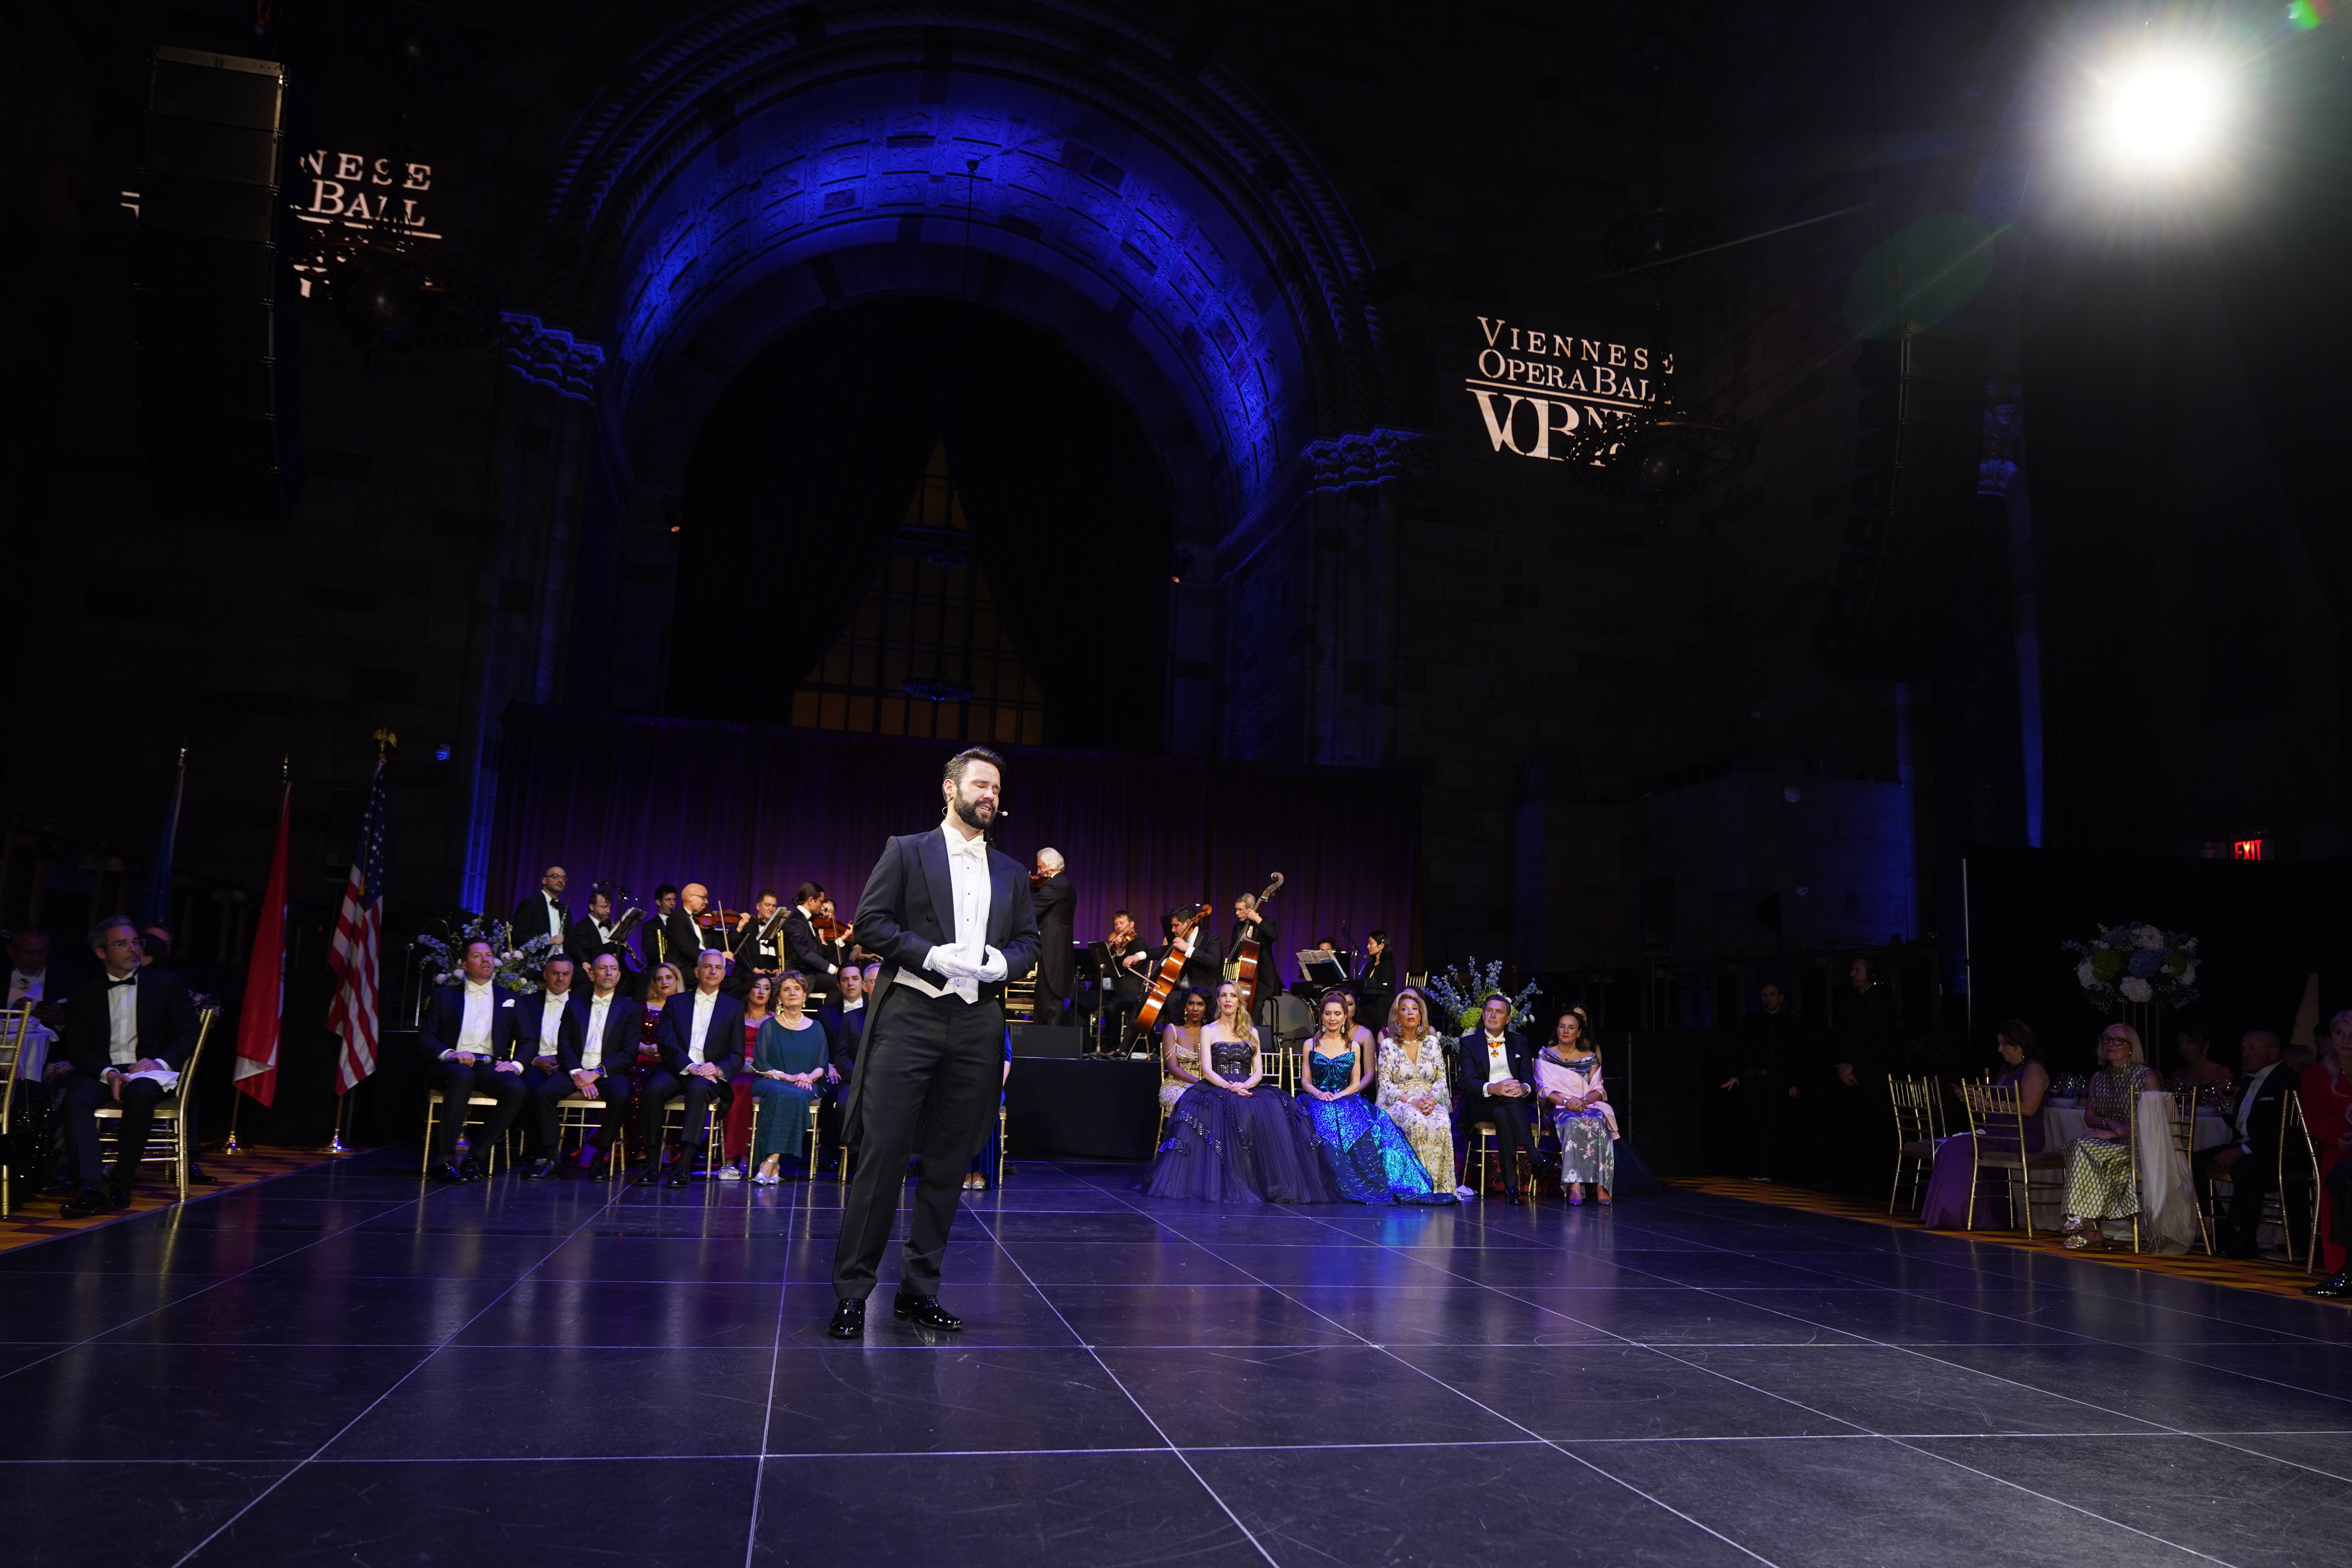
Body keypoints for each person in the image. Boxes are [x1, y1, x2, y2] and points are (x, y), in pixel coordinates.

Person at [826, 746, 1040, 1340]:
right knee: (884, 1157)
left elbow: (1029, 942)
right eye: (979, 784)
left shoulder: (1013, 872)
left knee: (948, 1164)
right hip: (911, 1019)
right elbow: (869, 923)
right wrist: (928, 954)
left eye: (996, 788)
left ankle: (920, 1291)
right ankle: (852, 1292)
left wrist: (1003, 962)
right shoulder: (907, 850)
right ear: (951, 789)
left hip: (976, 1026)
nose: (989, 795)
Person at [55, 917, 199, 1217]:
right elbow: (78, 1049)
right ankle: (90, 1187)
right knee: (76, 1098)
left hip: (150, 1068)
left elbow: (190, 1033)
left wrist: (158, 1062)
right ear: (101, 953)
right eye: (122, 944)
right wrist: (109, 1073)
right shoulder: (84, 992)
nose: (133, 949)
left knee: (141, 1093)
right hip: (103, 1069)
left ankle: (122, 1182)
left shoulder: (166, 983)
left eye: (136, 942)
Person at [1141, 979, 1327, 1203]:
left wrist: (1245, 1085)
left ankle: (1263, 1180)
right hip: (1218, 1085)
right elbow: (1207, 1071)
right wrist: (1229, 1086)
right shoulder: (1209, 1030)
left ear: (1240, 1001)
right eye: (1223, 996)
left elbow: (1258, 1071)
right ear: (1218, 1002)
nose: (1228, 1000)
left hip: (1247, 1085)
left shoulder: (1251, 1032)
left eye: (1233, 996)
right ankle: (1229, 1178)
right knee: (1217, 1110)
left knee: (1273, 1109)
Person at [1293, 991, 1452, 1204]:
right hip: (1317, 1097)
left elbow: (1356, 1083)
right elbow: (1305, 1081)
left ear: (1345, 1016)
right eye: (1328, 1014)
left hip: (1346, 1097)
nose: (1332, 1018)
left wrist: (1340, 1095)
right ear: (1321, 1016)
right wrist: (1320, 1093)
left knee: (1371, 1128)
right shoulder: (1310, 1044)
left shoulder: (1354, 1046)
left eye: (1338, 1014)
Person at [1918, 1020, 2048, 1230]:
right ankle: (1979, 1215)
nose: (2000, 1049)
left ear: (2020, 1043)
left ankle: (1958, 1216)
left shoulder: (2034, 1069)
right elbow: (1996, 1108)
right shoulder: (2007, 1070)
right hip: (1997, 1133)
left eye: (2005, 1044)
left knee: (1954, 1148)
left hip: (2019, 1136)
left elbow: (2028, 1108)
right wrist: (1975, 1102)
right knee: (1949, 1146)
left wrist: (1988, 1103)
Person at [417, 938, 526, 1183]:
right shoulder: (444, 996)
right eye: (478, 956)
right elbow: (426, 1037)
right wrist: (451, 1054)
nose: (486, 959)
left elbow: (528, 1040)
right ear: (465, 965)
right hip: (452, 1064)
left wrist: (515, 1065)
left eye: (489, 955)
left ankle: (475, 1157)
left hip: (489, 1065)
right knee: (463, 1076)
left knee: (516, 1089)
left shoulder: (509, 998)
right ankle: (444, 1161)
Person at [643, 949, 746, 1186]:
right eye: (707, 967)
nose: (712, 972)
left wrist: (718, 1070)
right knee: (652, 1089)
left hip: (708, 1075)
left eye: (718, 968)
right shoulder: (676, 1002)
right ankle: (651, 1162)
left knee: (698, 1090)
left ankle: (684, 1165)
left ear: (723, 974)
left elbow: (737, 1054)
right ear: (697, 972)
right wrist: (688, 1066)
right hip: (676, 1068)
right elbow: (666, 1041)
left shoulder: (733, 1007)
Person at [2059, 1022, 2161, 1249]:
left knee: (2084, 1148)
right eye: (2106, 1039)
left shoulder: (2147, 1076)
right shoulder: (2099, 1077)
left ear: (2131, 1048)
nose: (2110, 1045)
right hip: (2110, 1142)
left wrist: (2112, 1131)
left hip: (2138, 1144)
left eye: (2118, 1041)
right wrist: (2110, 1125)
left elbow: (2153, 1123)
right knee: (2080, 1146)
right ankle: (2088, 1224)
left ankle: (2084, 1222)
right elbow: (2090, 1116)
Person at [538, 951, 639, 1177]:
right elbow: (563, 1045)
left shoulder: (630, 1010)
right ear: (592, 975)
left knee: (622, 1095)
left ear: (620, 976)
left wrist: (596, 1074)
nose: (609, 973)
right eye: (603, 968)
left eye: (614, 969)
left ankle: (599, 1160)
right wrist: (578, 1074)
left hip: (609, 1073)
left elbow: (628, 1053)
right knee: (544, 1093)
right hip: (575, 1069)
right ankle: (552, 1159)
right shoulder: (574, 1004)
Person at [2199, 1029, 2296, 1258]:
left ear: (2273, 1052)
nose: (2245, 1054)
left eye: (2252, 1048)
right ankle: (2224, 1231)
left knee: (2247, 1167)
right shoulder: (2250, 1080)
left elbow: (2279, 1130)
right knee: (2193, 1162)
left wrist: (2241, 1151)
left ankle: (2245, 1237)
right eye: (2243, 1048)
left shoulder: (2287, 1079)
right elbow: (2240, 1124)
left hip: (2276, 1152)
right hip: (2249, 1145)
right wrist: (2229, 1104)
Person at [1818, 955, 1893, 1194]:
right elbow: (1838, 1036)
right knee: (1842, 1128)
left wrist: (1855, 1066)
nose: (1852, 974)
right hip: (1846, 1076)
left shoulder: (1882, 1003)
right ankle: (1842, 1176)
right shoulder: (1849, 1001)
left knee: (1871, 1130)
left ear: (1870, 975)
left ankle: (1871, 1179)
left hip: (1868, 1078)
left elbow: (1880, 1043)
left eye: (1857, 970)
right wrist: (1841, 1065)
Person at [751, 971, 834, 1185]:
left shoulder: (817, 1028)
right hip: (773, 1082)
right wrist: (790, 1077)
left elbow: (822, 1066)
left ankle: (771, 1160)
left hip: (808, 1084)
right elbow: (761, 1065)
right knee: (789, 1094)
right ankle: (773, 1163)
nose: (792, 993)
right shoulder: (769, 1026)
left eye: (797, 989)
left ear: (805, 995)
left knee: (796, 1096)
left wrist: (807, 1077)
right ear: (779, 997)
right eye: (786, 989)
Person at [1720, 980, 1807, 1181]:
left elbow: (1797, 1056)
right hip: (1754, 1079)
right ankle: (1752, 1169)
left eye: (1772, 995)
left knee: (1770, 1125)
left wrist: (1796, 1083)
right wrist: (1735, 1074)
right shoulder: (1751, 1021)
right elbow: (1739, 1049)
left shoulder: (1791, 1024)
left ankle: (1764, 1169)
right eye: (1765, 995)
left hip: (1776, 1081)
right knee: (1751, 1124)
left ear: (1781, 998)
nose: (1768, 999)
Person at [1451, 993, 1534, 1203]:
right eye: (1489, 1010)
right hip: (1481, 1104)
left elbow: (1528, 1079)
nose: (1493, 1015)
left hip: (1508, 1105)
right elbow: (1468, 1082)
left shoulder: (1520, 1041)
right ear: (1483, 1014)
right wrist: (1495, 1088)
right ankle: (1533, 1155)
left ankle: (1512, 1188)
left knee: (1504, 1112)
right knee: (1508, 1098)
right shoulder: (1469, 1043)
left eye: (1499, 1012)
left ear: (1508, 1019)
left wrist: (1523, 1089)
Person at [1380, 984, 1459, 1195]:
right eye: (1404, 1009)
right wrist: (1411, 1101)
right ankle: (1420, 1187)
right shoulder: (1388, 1045)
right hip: (1400, 1101)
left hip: (1430, 1099)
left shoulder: (1432, 1043)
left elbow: (1441, 1078)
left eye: (1414, 1009)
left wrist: (1432, 1099)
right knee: (1417, 1122)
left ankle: (1443, 1189)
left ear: (1421, 1014)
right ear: (1398, 1016)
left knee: (1442, 1123)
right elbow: (1386, 1084)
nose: (1410, 1013)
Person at [1534, 1007, 1615, 1204]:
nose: (1565, 1031)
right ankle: (1574, 1185)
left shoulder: (1589, 1057)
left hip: (1586, 1106)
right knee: (1571, 1122)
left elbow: (1599, 1089)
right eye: (1562, 1027)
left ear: (1579, 1033)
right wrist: (1566, 1101)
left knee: (1598, 1122)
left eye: (1571, 1028)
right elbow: (1541, 1089)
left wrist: (1583, 1101)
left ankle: (1602, 1185)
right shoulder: (1546, 1055)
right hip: (1557, 1108)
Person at [512, 954, 577, 1178]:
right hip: (536, 1062)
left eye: (566, 974)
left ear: (572, 977)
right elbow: (520, 1038)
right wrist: (535, 1060)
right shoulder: (528, 1002)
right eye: (555, 973)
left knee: (544, 1094)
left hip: (568, 1066)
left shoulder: (582, 1003)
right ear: (546, 975)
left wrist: (568, 1063)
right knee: (520, 1090)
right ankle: (536, 1143)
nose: (560, 978)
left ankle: (547, 1152)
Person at [2303, 1011, 2352, 1294]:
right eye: (2340, 1033)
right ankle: (2346, 1269)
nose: (2347, 1041)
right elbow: (2321, 1126)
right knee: (2343, 1176)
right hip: (2340, 1150)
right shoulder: (2317, 1075)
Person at [717, 974, 774, 1180]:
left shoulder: (776, 1020)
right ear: (748, 990)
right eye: (757, 987)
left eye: (766, 988)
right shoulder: (735, 1016)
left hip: (764, 1074)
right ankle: (731, 1158)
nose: (761, 992)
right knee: (737, 1091)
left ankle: (753, 1156)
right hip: (737, 1071)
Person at [1098, 910, 1153, 1053]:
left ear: (1132, 924)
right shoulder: (1118, 942)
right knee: (1110, 1008)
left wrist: (1120, 951)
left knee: (1116, 1005)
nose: (1118, 927)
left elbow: (1134, 965)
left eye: (1122, 923)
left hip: (1134, 991)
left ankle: (1133, 1048)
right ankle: (1112, 1047)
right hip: (1118, 992)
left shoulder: (1139, 943)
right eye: (1116, 924)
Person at [1029, 850, 1076, 1020]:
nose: (1039, 871)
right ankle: (1044, 1032)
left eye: (1040, 867)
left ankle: (1048, 1035)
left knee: (1050, 990)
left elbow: (1033, 912)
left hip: (1052, 945)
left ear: (1048, 866)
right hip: (1059, 944)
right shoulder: (1064, 883)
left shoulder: (1054, 885)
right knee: (1047, 989)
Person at [782, 882, 839, 1003]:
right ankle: (825, 1019)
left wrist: (841, 939)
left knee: (843, 979)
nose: (822, 906)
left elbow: (819, 953)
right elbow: (805, 954)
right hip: (801, 974)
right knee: (838, 984)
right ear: (811, 900)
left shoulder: (811, 921)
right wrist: (834, 970)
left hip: (812, 972)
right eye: (821, 901)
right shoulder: (795, 922)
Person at [1157, 988, 1208, 1114]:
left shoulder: (1211, 1032)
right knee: (1191, 1101)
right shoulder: (1172, 1030)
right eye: (1191, 1004)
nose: (1195, 1009)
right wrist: (1198, 1083)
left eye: (1200, 1004)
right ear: (1185, 1006)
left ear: (1206, 1008)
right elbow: (1173, 1067)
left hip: (1207, 1085)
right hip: (1177, 1084)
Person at [1159, 907, 1223, 999]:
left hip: (1205, 991)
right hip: (1185, 990)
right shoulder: (1182, 940)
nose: (1173, 930)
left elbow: (1214, 961)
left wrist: (1188, 949)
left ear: (1188, 923)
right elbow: (1160, 951)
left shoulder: (1211, 938)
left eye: (1176, 925)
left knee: (1172, 999)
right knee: (1168, 997)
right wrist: (1138, 956)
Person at [1227, 891, 1281, 997]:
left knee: (1255, 1009)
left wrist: (1257, 919)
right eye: (1236, 909)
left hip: (1262, 979)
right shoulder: (1237, 927)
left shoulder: (1266, 922)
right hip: (1242, 976)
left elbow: (1274, 936)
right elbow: (1233, 953)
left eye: (1240, 910)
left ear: (1251, 909)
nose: (1237, 913)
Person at [512, 866, 567, 946]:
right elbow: (518, 937)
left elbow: (570, 940)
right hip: (539, 958)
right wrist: (547, 941)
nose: (560, 881)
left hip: (562, 957)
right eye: (555, 877)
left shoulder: (564, 909)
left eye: (564, 878)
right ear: (544, 881)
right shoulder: (530, 904)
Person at [2169, 1027, 2235, 1096]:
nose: (2183, 1048)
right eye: (2180, 1044)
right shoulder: (2178, 1075)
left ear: (2206, 1046)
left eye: (2189, 1042)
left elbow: (2231, 1102)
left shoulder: (2221, 1072)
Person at [1355, 930, 1395, 1025]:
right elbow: (1362, 984)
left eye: (1371, 943)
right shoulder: (1370, 965)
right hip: (1368, 1003)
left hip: (1379, 1006)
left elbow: (1384, 988)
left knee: (1364, 1015)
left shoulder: (1389, 965)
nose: (1368, 947)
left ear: (1381, 946)